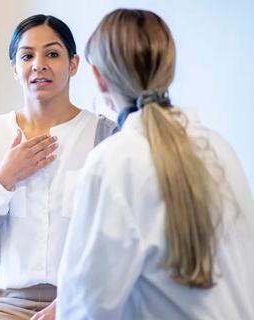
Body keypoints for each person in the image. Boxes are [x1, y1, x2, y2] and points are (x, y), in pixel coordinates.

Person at [56, 8, 254, 319]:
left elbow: (83, 309)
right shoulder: (220, 148)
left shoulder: (113, 162)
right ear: (168, 70)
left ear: (99, 79)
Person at [0, 14, 116, 320]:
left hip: (81, 302)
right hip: (2, 306)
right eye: (27, 56)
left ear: (73, 64)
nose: (39, 64)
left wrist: (72, 302)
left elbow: (122, 242)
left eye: (52, 54)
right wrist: (2, 180)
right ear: (14, 68)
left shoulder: (106, 137)